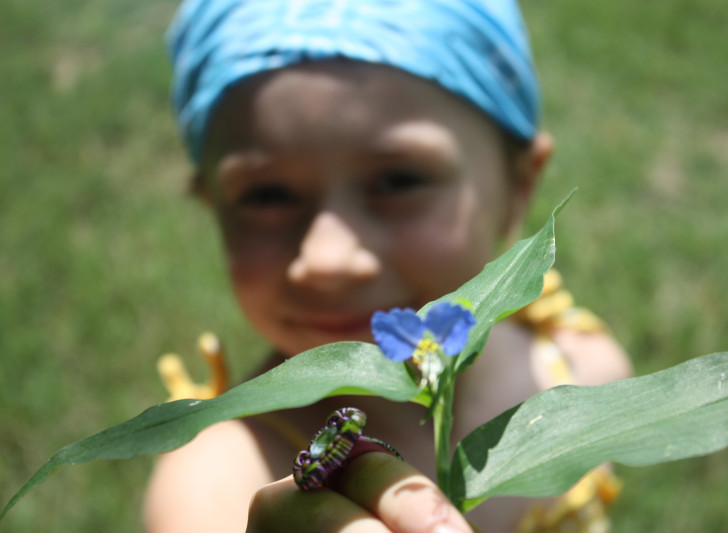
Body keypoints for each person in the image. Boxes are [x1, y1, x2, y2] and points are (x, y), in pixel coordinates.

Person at [144, 1, 632, 532]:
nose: (327, 259)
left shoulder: (585, 374)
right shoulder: (215, 484)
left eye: (398, 182)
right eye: (267, 195)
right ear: (211, 203)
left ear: (518, 187)